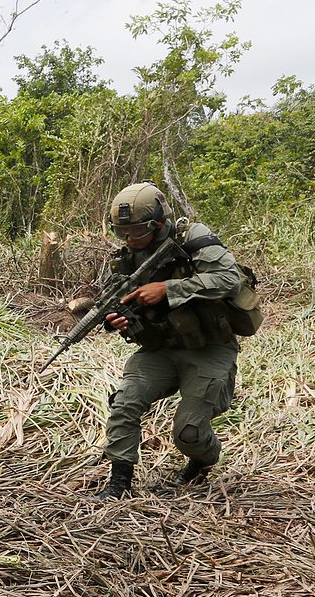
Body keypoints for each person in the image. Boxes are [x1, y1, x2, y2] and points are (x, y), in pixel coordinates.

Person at [96, 182, 242, 500]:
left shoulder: (193, 238)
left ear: (159, 224)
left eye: (136, 231)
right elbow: (119, 307)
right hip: (161, 349)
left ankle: (203, 460)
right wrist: (117, 321)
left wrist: (168, 289)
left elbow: (229, 280)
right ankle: (119, 483)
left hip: (209, 348)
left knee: (188, 433)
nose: (129, 239)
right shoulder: (126, 259)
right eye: (122, 233)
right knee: (124, 403)